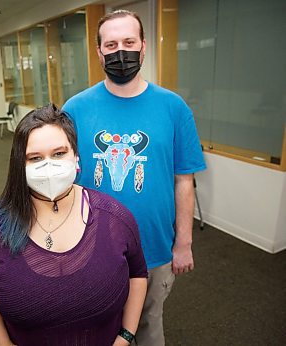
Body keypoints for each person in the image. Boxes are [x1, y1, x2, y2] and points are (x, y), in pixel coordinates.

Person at [62, 10, 207, 346]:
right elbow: (63, 179)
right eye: (110, 44)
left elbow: (184, 180)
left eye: (128, 42)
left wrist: (183, 243)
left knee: (148, 325)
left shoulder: (173, 107)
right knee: (95, 325)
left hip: (154, 247)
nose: (120, 52)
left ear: (143, 47)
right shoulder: (75, 109)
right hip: (92, 248)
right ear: (99, 52)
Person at [0, 104, 148, 346]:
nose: (49, 166)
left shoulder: (116, 218)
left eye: (59, 154)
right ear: (20, 165)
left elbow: (138, 274)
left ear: (76, 157)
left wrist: (126, 336)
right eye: (35, 158)